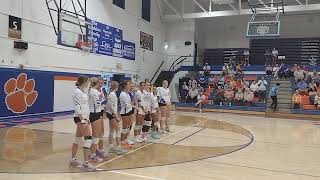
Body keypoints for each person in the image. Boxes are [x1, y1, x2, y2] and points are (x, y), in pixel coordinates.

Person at [70, 76, 96, 171]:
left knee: (77, 139)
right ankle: (86, 163)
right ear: (84, 82)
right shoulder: (77, 92)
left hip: (85, 118)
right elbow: (77, 107)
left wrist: (87, 118)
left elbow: (85, 106)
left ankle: (73, 160)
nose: (89, 83)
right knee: (88, 139)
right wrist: (82, 120)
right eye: (88, 81)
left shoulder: (83, 91)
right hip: (80, 118)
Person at [106, 81, 127, 155]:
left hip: (111, 114)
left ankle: (110, 146)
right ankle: (118, 148)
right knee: (118, 130)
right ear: (116, 86)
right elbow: (111, 106)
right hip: (112, 114)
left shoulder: (112, 93)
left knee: (112, 130)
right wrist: (116, 116)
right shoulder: (112, 94)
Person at [88, 77, 104, 162]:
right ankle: (92, 154)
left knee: (96, 134)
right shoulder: (93, 92)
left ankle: (93, 152)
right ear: (97, 83)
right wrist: (101, 98)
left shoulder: (93, 91)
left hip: (94, 113)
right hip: (95, 114)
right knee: (96, 135)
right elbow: (97, 104)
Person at [119, 80, 134, 150]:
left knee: (128, 127)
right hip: (125, 112)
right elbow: (127, 105)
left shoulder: (128, 93)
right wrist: (133, 105)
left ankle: (125, 141)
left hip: (129, 111)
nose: (130, 85)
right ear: (125, 86)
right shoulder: (122, 94)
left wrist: (131, 105)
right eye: (129, 84)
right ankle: (122, 142)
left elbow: (130, 103)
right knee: (124, 128)